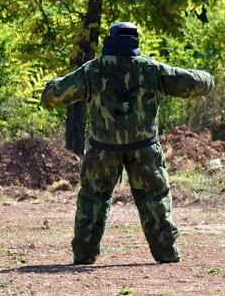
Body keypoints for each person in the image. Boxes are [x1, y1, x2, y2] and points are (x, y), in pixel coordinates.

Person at [41, 22, 213, 264]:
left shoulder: (93, 70)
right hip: (145, 148)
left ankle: (84, 254)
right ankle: (166, 253)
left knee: (93, 200)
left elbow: (52, 96)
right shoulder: (152, 69)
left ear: (110, 40)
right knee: (154, 198)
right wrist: (209, 78)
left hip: (102, 150)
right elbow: (193, 83)